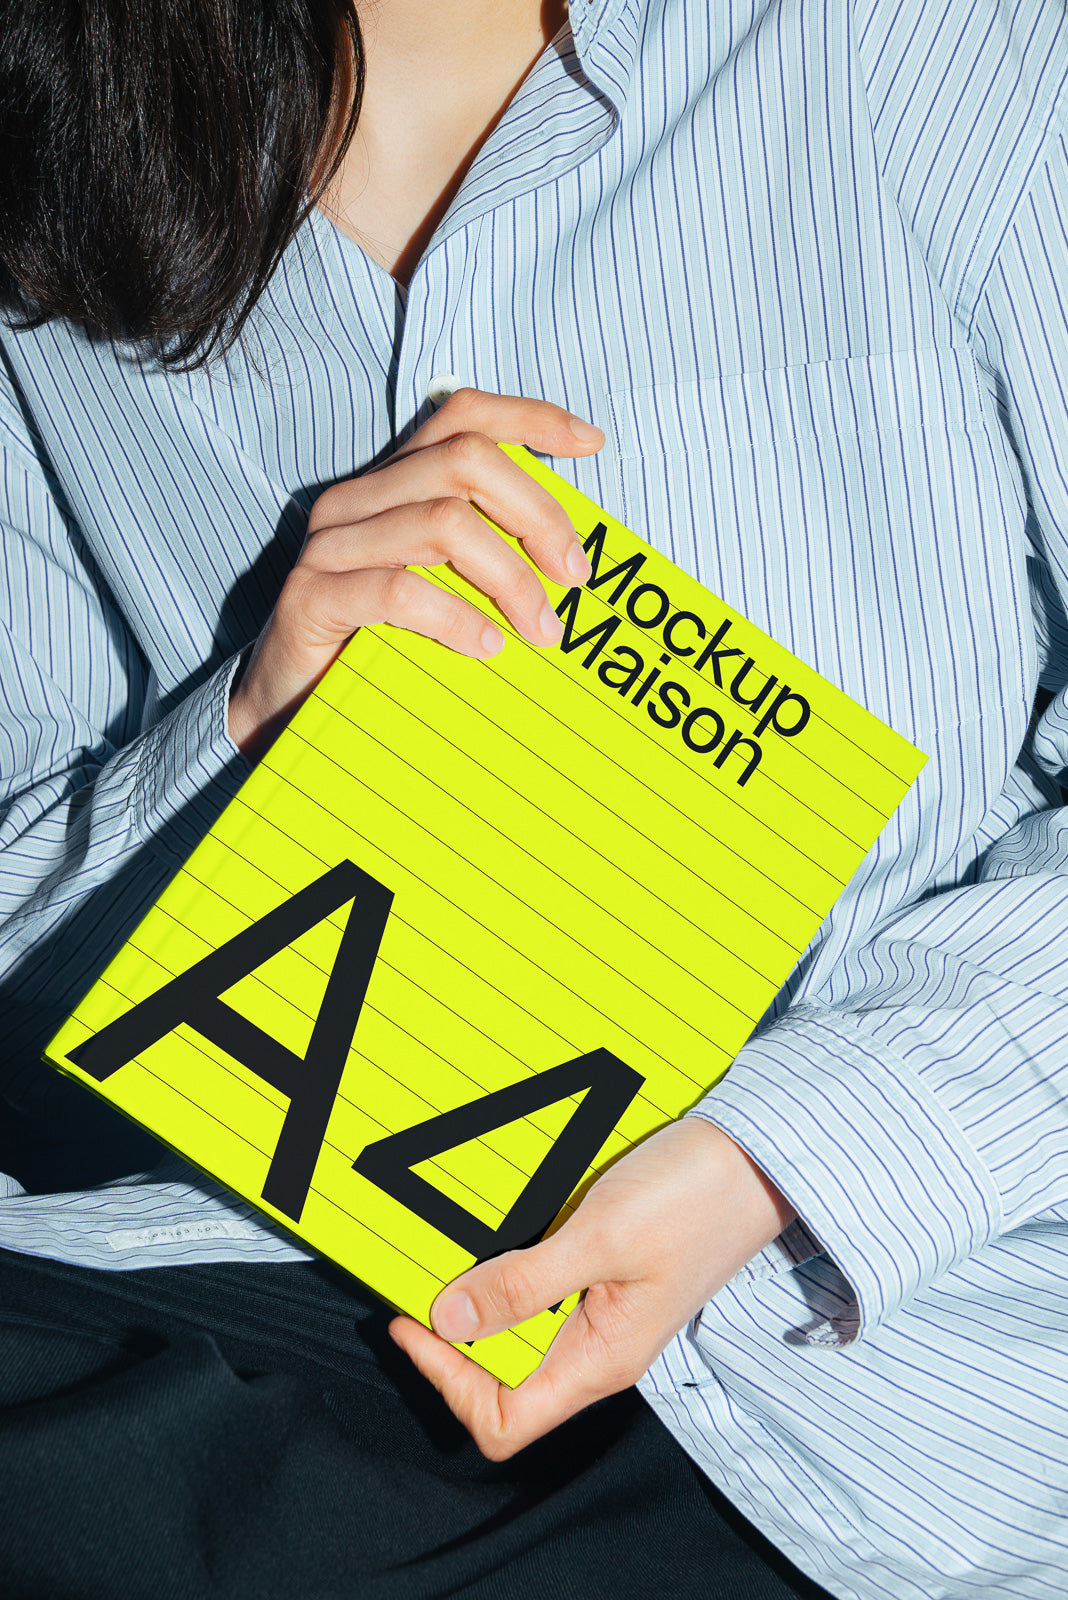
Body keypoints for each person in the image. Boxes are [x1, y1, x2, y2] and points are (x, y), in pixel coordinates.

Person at [0, 0, 1066, 1595]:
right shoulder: (49, 157)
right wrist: (236, 723)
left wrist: (780, 1157)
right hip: (209, 1300)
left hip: (845, 1386)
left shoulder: (927, 46)